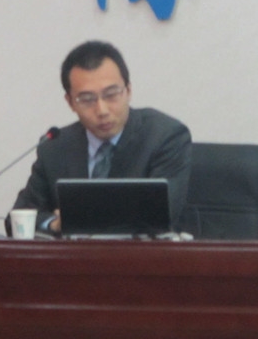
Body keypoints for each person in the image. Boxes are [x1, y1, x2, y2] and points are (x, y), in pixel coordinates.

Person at [10, 40, 192, 235]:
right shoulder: (55, 146)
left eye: (111, 94)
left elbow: (160, 216)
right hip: (75, 255)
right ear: (70, 102)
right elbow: (18, 219)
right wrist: (55, 224)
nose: (102, 110)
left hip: (141, 254)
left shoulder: (165, 137)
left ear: (128, 91)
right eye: (87, 99)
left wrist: (78, 218)